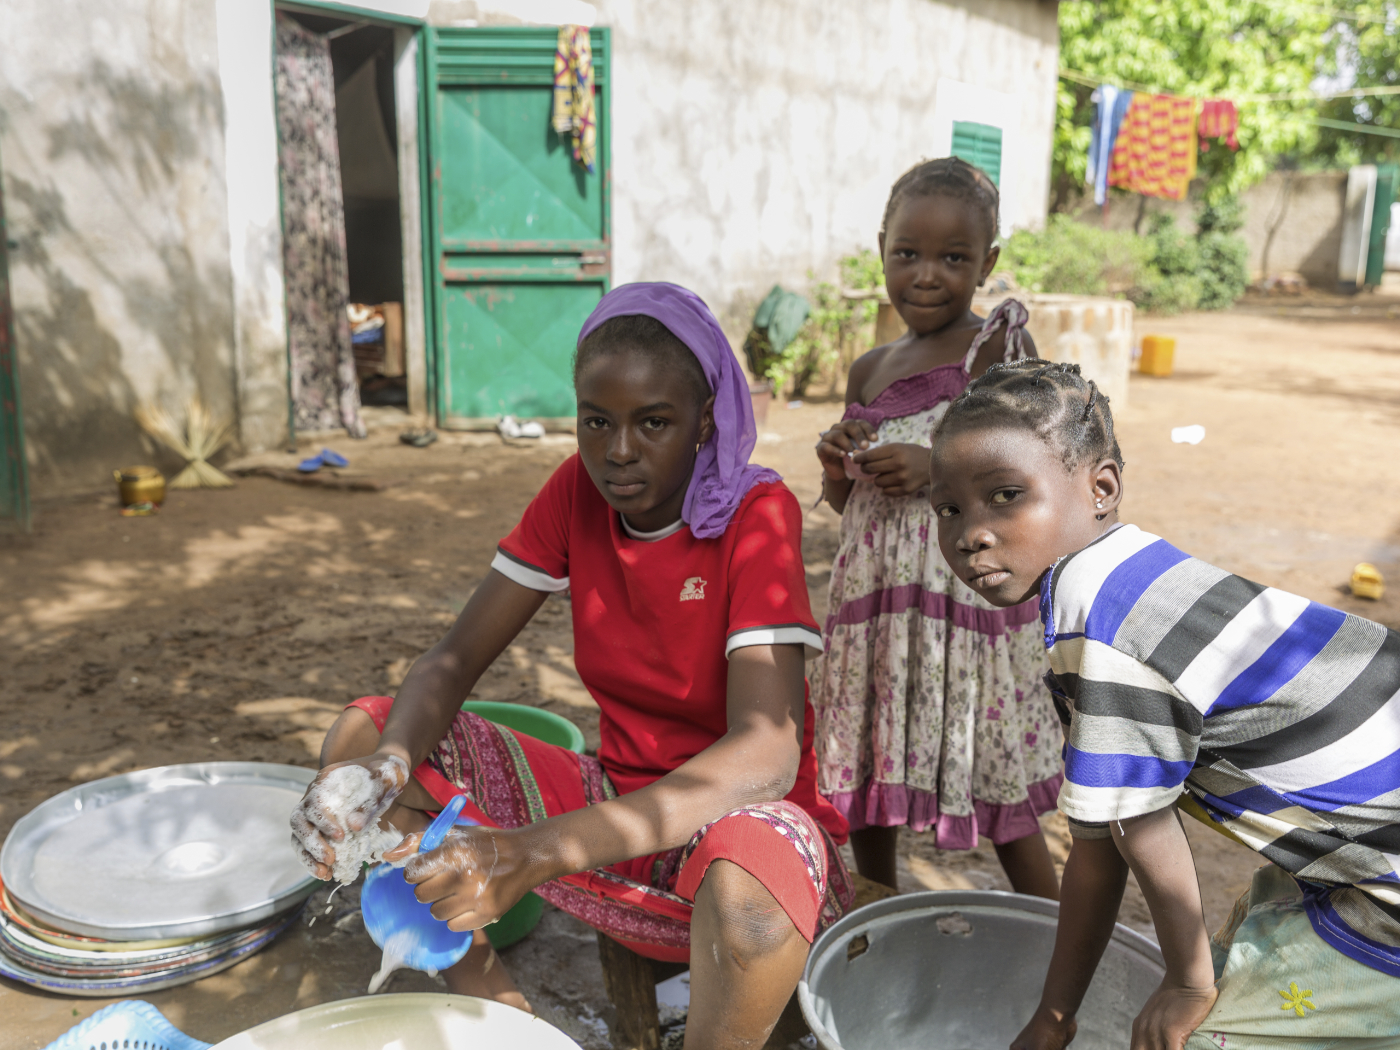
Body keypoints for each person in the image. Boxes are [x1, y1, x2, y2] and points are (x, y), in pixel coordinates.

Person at [290, 282, 853, 1050]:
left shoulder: (754, 516)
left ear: (703, 423)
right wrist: (387, 767)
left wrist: (529, 852)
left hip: (733, 846)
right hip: (616, 810)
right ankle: (506, 1024)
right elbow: (452, 660)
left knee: (752, 874)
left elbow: (765, 756)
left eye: (654, 422)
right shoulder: (576, 493)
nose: (619, 450)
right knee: (362, 736)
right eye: (597, 421)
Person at [926, 357, 1400, 1050]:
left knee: (1207, 1037)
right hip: (1363, 844)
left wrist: (1186, 982)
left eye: (1004, 495)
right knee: (1256, 923)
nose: (971, 534)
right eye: (949, 509)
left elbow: (1136, 830)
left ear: (1102, 487)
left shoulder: (1104, 629)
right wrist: (1057, 1017)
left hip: (1386, 890)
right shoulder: (1133, 570)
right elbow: (1106, 834)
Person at [811, 157, 1062, 896]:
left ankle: (1058, 946)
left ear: (988, 263)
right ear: (881, 247)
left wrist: (939, 467)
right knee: (871, 771)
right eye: (908, 254)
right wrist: (839, 465)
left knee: (997, 784)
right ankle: (876, 917)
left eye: (953, 258)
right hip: (883, 616)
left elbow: (1037, 472)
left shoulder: (1000, 351)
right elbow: (846, 509)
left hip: (969, 613)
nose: (926, 275)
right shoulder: (869, 369)